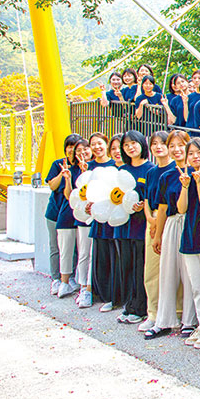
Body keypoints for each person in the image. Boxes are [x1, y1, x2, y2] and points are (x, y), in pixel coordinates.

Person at [146, 130, 195, 340]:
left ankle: (190, 320)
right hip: (172, 224)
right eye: (171, 145)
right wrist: (157, 234)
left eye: (180, 145)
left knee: (190, 275)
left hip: (192, 225)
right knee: (167, 272)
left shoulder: (197, 171)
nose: (176, 149)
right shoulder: (166, 176)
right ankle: (164, 319)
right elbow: (163, 207)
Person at [175, 138, 200, 349]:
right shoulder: (185, 178)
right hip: (189, 236)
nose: (194, 157)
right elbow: (181, 209)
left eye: (198, 152)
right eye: (190, 153)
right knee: (197, 287)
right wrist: (185, 186)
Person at [115, 130, 154, 325]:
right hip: (123, 227)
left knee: (140, 268)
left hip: (141, 227)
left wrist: (143, 205)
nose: (130, 147)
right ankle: (129, 305)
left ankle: (140, 308)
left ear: (142, 144)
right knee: (126, 267)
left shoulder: (150, 169)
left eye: (134, 143)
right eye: (126, 145)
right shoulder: (122, 171)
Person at [138, 131, 174, 334]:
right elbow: (147, 200)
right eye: (154, 143)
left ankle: (172, 312)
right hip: (151, 220)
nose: (158, 147)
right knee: (151, 269)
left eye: (163, 143)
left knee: (170, 269)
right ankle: (153, 312)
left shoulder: (175, 169)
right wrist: (150, 219)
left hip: (168, 220)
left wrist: (158, 222)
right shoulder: (151, 172)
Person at [81, 132, 116, 309]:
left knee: (112, 255)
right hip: (97, 217)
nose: (97, 147)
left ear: (106, 145)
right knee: (97, 255)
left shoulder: (115, 165)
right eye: (93, 144)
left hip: (114, 216)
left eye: (100, 143)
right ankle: (94, 291)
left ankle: (112, 293)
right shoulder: (88, 167)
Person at [44, 134, 82, 295]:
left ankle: (70, 276)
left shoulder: (82, 166)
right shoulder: (57, 164)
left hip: (72, 213)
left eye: (75, 147)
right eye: (69, 146)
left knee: (72, 248)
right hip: (55, 211)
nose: (72, 150)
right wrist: (62, 173)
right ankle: (56, 278)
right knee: (56, 246)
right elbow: (52, 186)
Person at [56, 138, 92, 299]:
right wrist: (67, 178)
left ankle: (87, 285)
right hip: (73, 216)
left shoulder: (94, 167)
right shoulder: (72, 168)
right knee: (73, 250)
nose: (82, 152)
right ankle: (67, 283)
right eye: (78, 150)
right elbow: (69, 195)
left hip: (91, 216)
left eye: (85, 148)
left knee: (88, 251)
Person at [93, 133, 124, 312]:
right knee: (107, 259)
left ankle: (121, 297)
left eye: (119, 147)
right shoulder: (107, 171)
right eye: (113, 149)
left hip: (124, 223)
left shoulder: (129, 170)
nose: (117, 151)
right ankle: (109, 296)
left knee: (120, 260)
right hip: (105, 222)